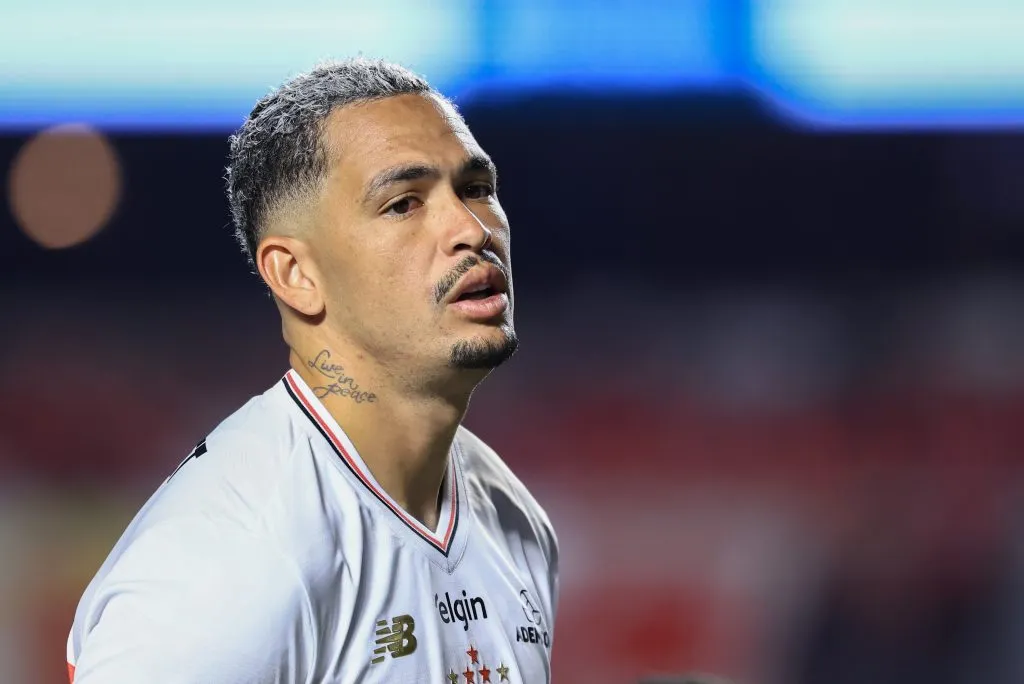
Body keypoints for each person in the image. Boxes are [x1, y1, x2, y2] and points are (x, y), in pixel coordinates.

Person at [65, 58, 559, 684]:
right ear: (296, 275)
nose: (470, 228)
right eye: (404, 203)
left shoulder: (513, 517)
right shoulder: (228, 559)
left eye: (477, 187)